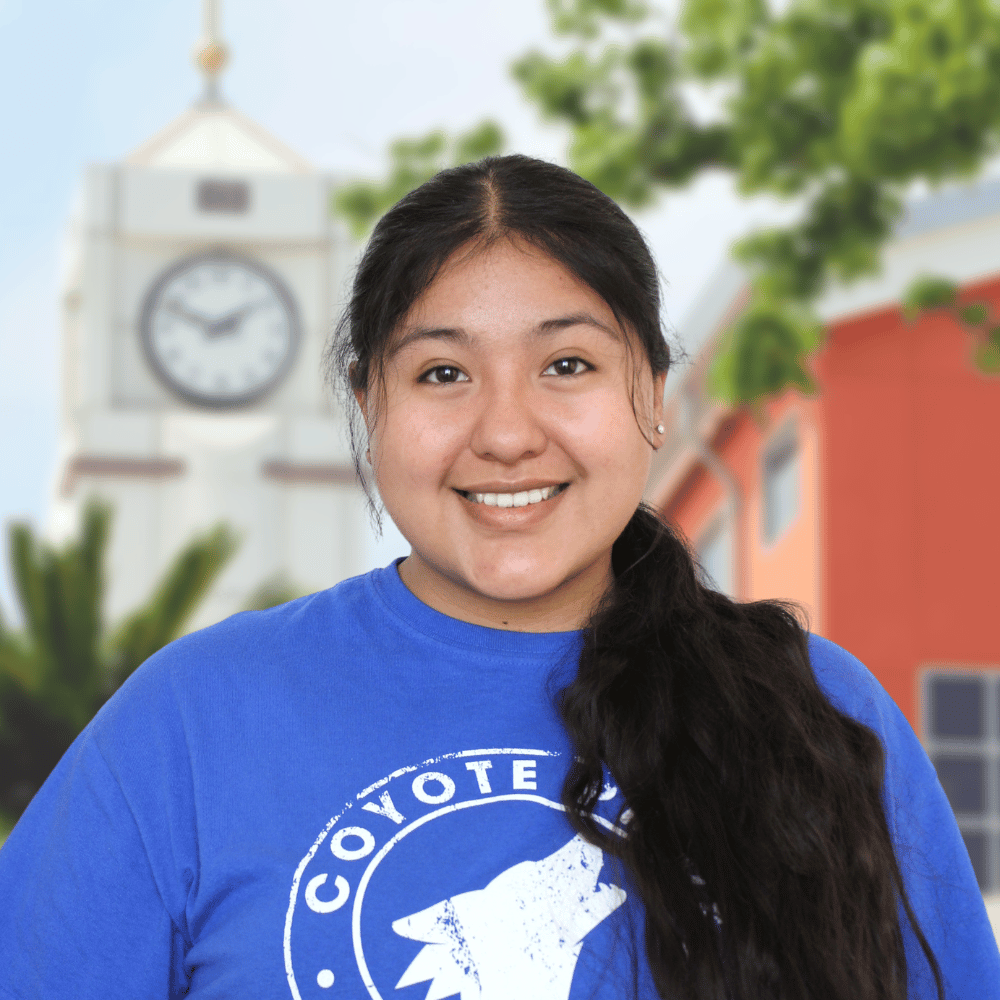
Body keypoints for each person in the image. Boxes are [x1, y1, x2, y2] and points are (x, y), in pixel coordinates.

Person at [0, 155, 996, 1000]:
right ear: (368, 407)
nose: (508, 433)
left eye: (566, 365)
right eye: (442, 373)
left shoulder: (815, 711)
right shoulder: (191, 719)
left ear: (649, 392)